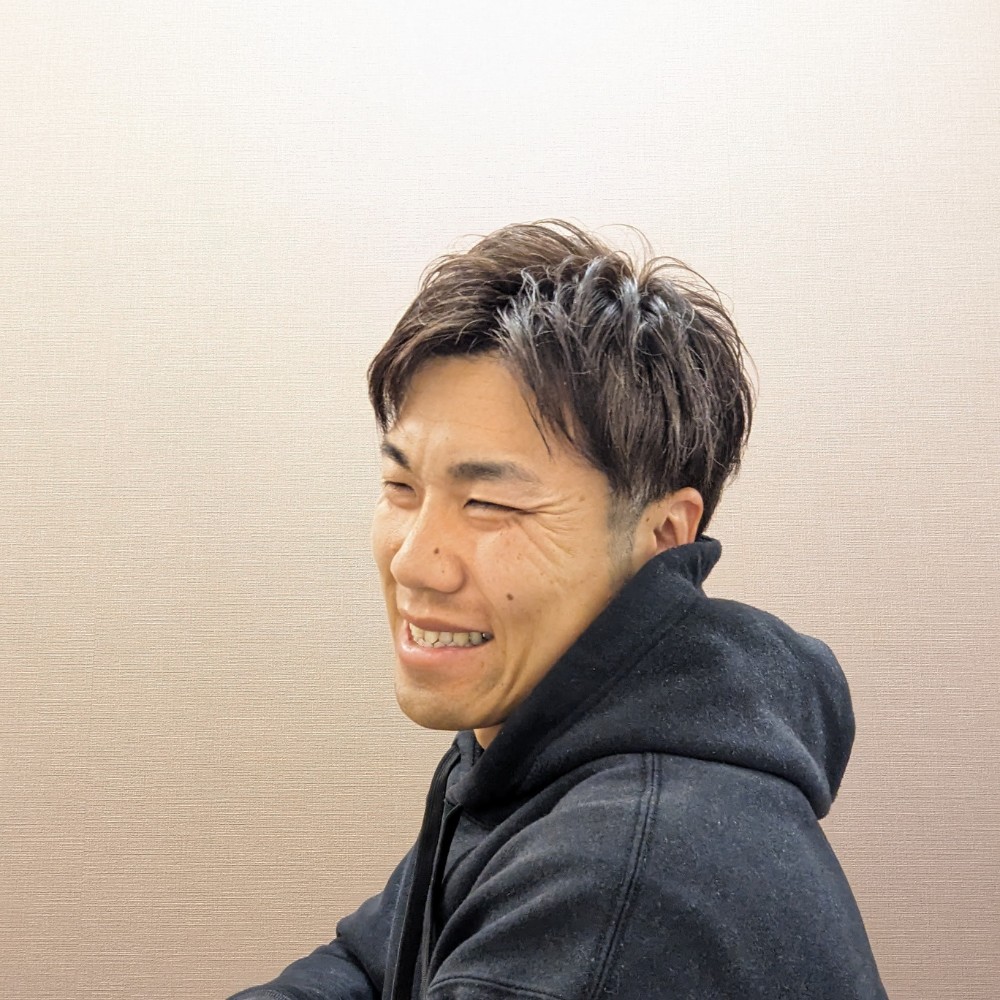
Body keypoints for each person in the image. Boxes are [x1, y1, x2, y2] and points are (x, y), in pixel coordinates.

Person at [230, 221, 887, 999]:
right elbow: (372, 965)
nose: (413, 560)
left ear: (661, 536)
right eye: (401, 488)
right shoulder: (535, 737)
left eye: (490, 504)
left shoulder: (618, 877)